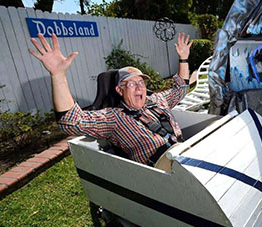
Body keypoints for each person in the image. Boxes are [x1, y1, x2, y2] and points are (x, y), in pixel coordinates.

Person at [29, 32, 192, 165]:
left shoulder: (157, 99)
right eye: (131, 84)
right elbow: (71, 121)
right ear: (119, 90)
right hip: (163, 169)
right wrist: (58, 75)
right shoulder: (113, 117)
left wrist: (183, 58)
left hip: (186, 151)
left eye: (141, 82)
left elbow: (181, 89)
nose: (139, 87)